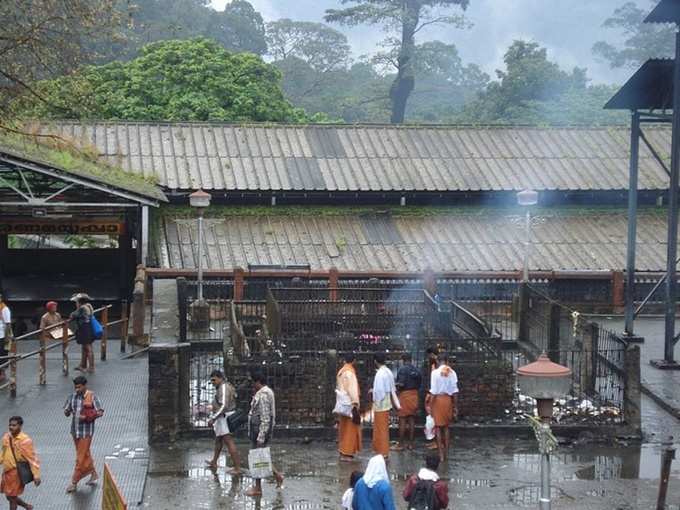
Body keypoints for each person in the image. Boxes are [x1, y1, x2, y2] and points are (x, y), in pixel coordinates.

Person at [245, 370, 283, 497]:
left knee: (258, 459)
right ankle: (277, 476)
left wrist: (261, 436)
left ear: (258, 382)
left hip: (259, 431)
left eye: (253, 382)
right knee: (261, 457)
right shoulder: (263, 393)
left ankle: (258, 488)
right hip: (258, 430)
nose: (252, 385)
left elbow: (266, 417)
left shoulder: (263, 395)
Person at [64, 376, 104, 493]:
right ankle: (93, 473)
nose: (77, 389)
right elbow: (67, 411)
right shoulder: (72, 397)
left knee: (80, 458)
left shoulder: (92, 397)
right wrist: (67, 411)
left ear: (85, 385)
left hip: (86, 432)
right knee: (85, 454)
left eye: (79, 387)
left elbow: (100, 412)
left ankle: (74, 482)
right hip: (75, 431)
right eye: (76, 387)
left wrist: (87, 417)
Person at [0, 417, 40, 510]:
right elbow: (3, 452)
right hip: (6, 472)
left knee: (12, 498)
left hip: (16, 473)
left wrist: (36, 475)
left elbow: (32, 459)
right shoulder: (6, 437)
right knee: (9, 496)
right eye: (10, 425)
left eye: (14, 425)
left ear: (20, 426)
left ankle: (26, 506)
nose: (11, 427)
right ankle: (27, 506)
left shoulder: (25, 441)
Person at [206, 370, 240, 474]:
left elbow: (224, 406)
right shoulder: (224, 386)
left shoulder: (224, 387)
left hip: (224, 417)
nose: (212, 382)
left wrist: (214, 418)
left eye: (214, 380)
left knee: (228, 442)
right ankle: (214, 462)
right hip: (222, 417)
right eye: (211, 380)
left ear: (220, 378)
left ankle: (237, 468)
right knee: (218, 440)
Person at [426, 353, 458, 462]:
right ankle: (446, 453)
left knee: (438, 428)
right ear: (447, 361)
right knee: (447, 427)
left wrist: (430, 406)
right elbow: (455, 391)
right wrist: (455, 406)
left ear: (438, 361)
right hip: (448, 400)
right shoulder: (452, 373)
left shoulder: (434, 373)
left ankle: (441, 455)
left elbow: (433, 391)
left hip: (437, 401)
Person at [370, 352, 400, 458]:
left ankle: (382, 451)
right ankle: (381, 450)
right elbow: (391, 388)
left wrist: (375, 399)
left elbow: (379, 391)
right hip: (387, 401)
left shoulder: (380, 373)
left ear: (375, 361)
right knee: (383, 428)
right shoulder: (388, 372)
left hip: (381, 403)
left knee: (381, 428)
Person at [336, 352, 361, 461]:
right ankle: (347, 452)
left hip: (342, 403)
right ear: (354, 361)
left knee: (343, 427)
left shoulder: (341, 371)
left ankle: (343, 450)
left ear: (344, 360)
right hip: (350, 404)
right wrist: (355, 403)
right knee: (350, 428)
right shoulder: (350, 373)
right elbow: (352, 390)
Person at [394, 352, 422, 451]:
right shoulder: (416, 370)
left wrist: (395, 385)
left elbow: (401, 384)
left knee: (402, 420)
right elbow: (419, 384)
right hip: (414, 395)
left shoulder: (402, 369)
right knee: (411, 420)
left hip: (405, 395)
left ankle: (400, 444)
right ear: (411, 359)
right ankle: (411, 444)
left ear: (403, 360)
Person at [69, 294, 95, 374]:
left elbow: (72, 315)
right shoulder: (88, 306)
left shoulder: (82, 308)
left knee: (88, 347)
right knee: (84, 347)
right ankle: (83, 365)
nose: (76, 303)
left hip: (84, 328)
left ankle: (91, 367)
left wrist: (77, 309)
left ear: (79, 302)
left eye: (76, 302)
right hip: (87, 327)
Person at [0, 294, 12, 382]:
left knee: (2, 354)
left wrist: (7, 337)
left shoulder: (4, 308)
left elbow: (8, 324)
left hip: (2, 335)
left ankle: (2, 373)